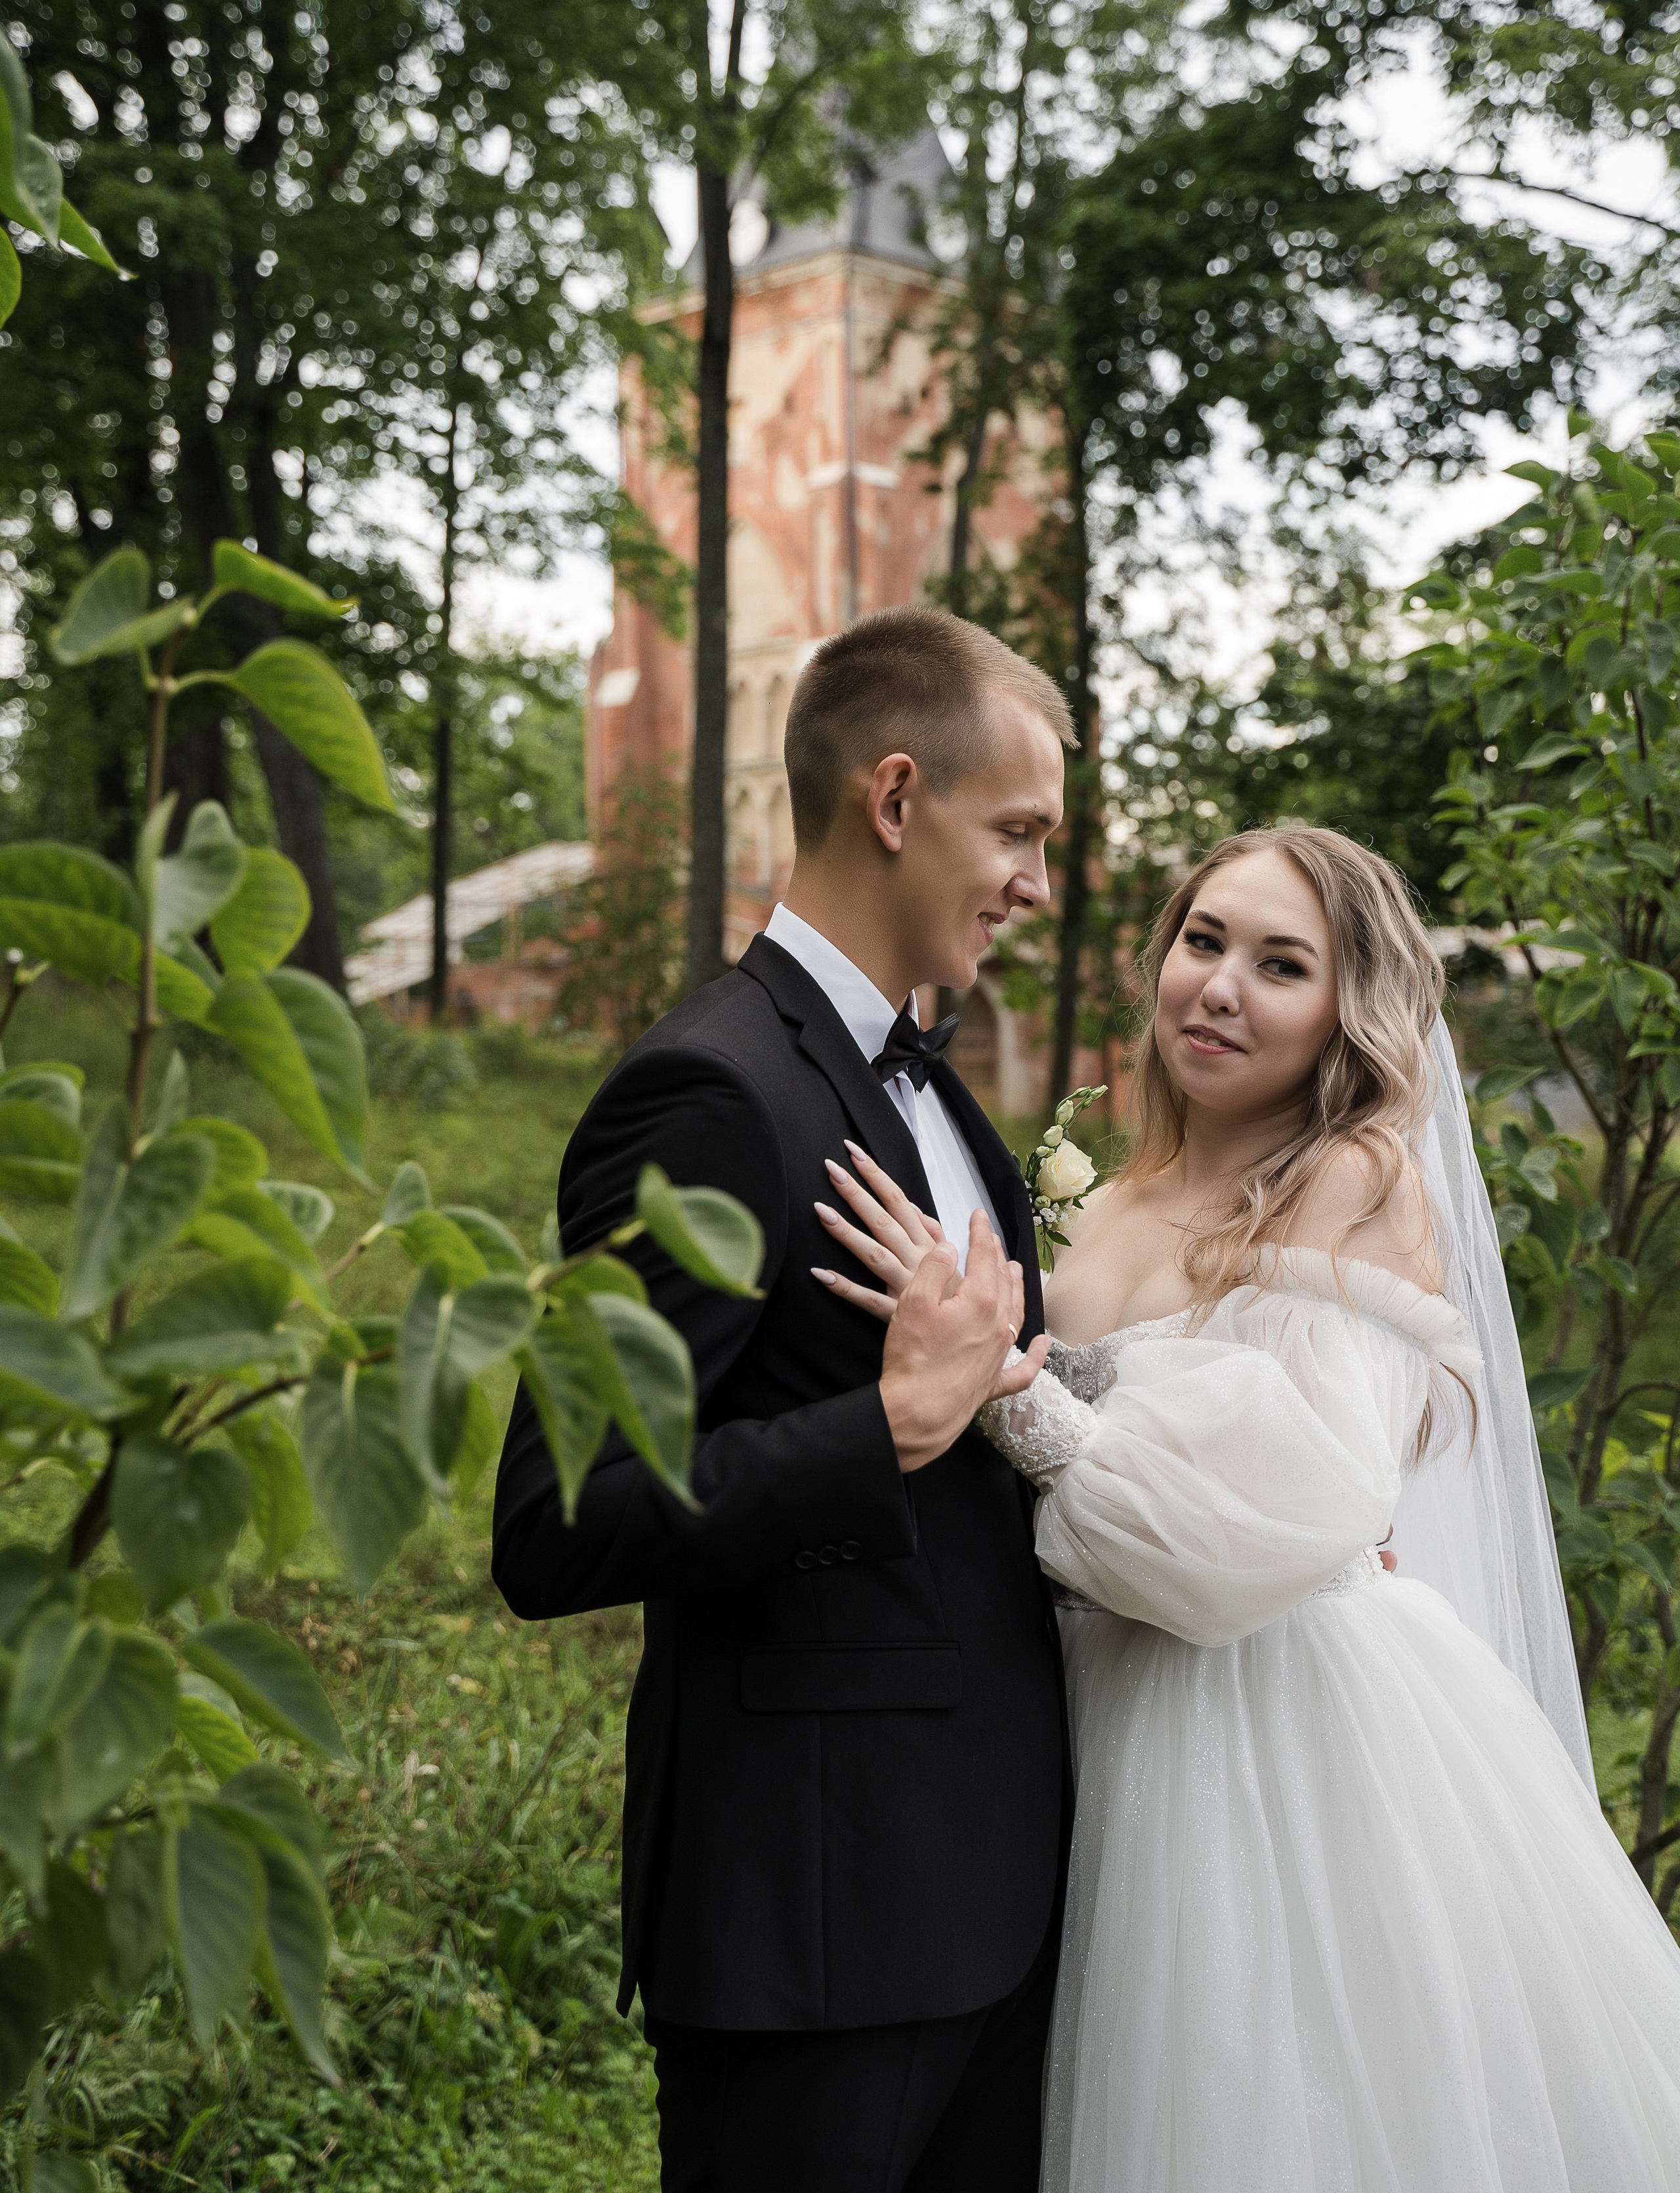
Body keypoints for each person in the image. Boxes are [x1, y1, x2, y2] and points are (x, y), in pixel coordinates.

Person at [818, 824, 1680, 2192]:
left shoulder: (1350, 1179)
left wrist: (1007, 1393)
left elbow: (1284, 1515)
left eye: (1281, 965)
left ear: (1348, 1013)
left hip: (1262, 1722)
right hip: (1092, 1699)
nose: (1218, 986)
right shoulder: (1108, 1202)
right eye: (1202, 941)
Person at [492, 606, 1076, 2193]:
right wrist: (882, 1430)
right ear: (894, 800)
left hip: (996, 1892)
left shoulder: (933, 1082)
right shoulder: (706, 1091)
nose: (1037, 882)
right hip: (820, 1921)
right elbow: (556, 1522)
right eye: (1015, 831)